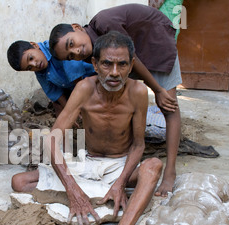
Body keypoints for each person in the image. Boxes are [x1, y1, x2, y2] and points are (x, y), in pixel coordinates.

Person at [11, 32, 161, 225]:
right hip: (87, 162)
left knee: (153, 166)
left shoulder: (139, 92)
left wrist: (121, 182)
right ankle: (95, 195)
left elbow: (138, 146)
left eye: (122, 64)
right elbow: (53, 139)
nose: (114, 72)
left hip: (119, 166)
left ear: (131, 65)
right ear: (94, 64)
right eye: (106, 64)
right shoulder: (83, 88)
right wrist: (73, 189)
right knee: (19, 181)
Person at [48, 3, 182, 197]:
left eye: (71, 44)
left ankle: (170, 172)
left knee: (168, 104)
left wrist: (158, 89)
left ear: (76, 27)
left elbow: (132, 57)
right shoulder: (92, 55)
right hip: (130, 57)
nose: (76, 52)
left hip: (156, 39)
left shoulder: (104, 22)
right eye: (70, 56)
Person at [7, 40, 96, 116]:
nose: (35, 64)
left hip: (92, 76)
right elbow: (55, 93)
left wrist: (79, 103)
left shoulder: (55, 47)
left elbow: (75, 74)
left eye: (31, 58)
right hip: (75, 88)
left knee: (92, 104)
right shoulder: (40, 72)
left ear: (35, 45)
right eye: (30, 68)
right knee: (58, 106)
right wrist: (68, 112)